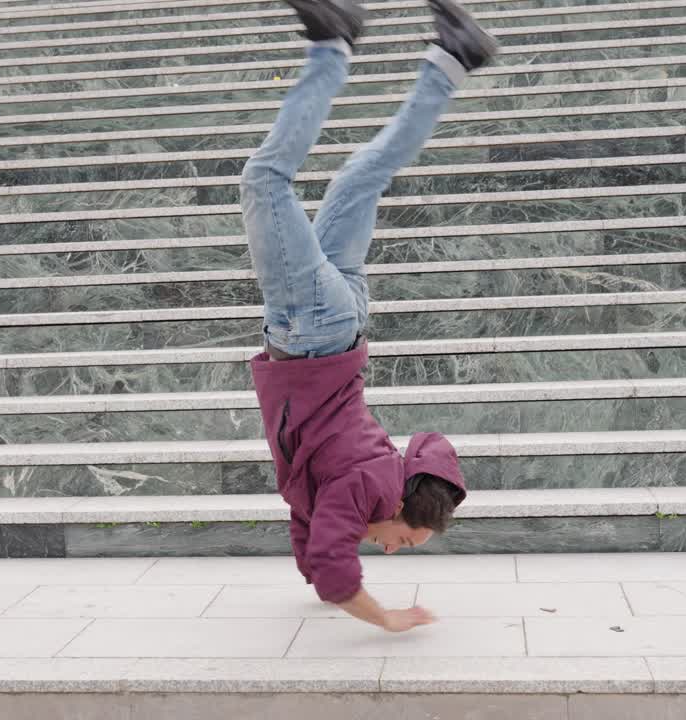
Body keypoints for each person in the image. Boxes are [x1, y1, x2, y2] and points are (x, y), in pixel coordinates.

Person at [245, 0, 497, 632]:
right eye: (403, 542)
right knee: (264, 181)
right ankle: (331, 46)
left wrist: (316, 571)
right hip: (311, 331)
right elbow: (334, 566)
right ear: (401, 508)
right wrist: (386, 618)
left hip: (344, 325)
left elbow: (312, 541)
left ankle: (453, 59)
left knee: (360, 180)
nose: (387, 549)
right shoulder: (366, 489)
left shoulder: (368, 477)